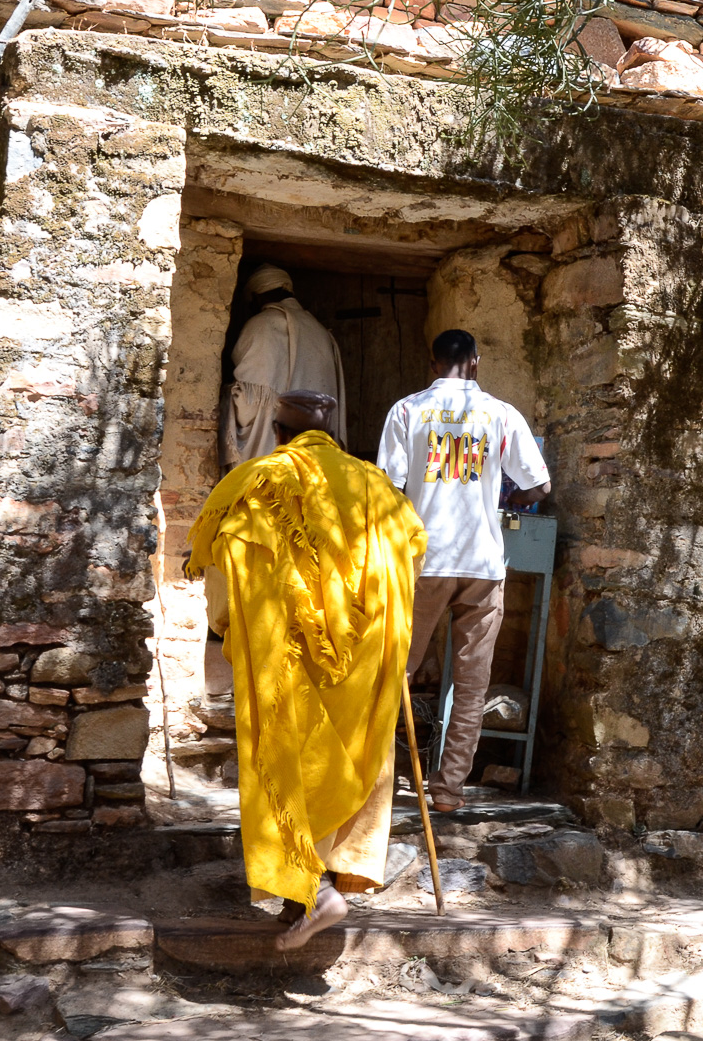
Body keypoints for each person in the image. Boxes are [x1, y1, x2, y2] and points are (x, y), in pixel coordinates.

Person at [188, 390, 426, 949]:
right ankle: (305, 895)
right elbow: (412, 557)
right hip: (367, 658)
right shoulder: (377, 488)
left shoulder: (258, 481)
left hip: (287, 655)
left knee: (290, 761)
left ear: (276, 432)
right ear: (334, 432)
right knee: (344, 763)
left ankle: (316, 893)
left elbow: (225, 558)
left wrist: (227, 626)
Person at [378, 329, 551, 812]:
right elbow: (539, 485)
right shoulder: (500, 413)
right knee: (472, 685)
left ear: (433, 363)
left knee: (395, 675)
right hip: (482, 565)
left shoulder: (407, 411)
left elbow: (387, 490)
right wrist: (507, 497)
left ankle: (380, 782)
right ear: (475, 361)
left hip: (422, 563)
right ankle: (449, 790)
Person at [221, 265, 349, 467]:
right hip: (316, 451)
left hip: (272, 450)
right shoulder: (321, 331)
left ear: (256, 296)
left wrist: (226, 394)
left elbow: (250, 402)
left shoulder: (260, 324)